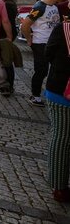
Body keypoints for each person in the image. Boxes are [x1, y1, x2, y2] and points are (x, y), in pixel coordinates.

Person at [21, 0, 69, 107]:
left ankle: (52, 94)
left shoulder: (54, 6)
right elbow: (25, 25)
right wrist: (29, 40)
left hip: (51, 43)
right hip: (40, 43)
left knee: (53, 70)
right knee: (41, 71)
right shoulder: (40, 6)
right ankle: (35, 95)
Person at [44, 20, 70, 202]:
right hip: (61, 89)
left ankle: (59, 187)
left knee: (61, 137)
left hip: (61, 88)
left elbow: (49, 54)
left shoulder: (64, 28)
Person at [0, 0, 21, 92]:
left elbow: (7, 22)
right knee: (4, 59)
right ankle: (4, 84)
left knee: (6, 60)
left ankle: (8, 86)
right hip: (5, 34)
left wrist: (9, 36)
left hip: (5, 35)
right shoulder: (9, 2)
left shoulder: (7, 4)